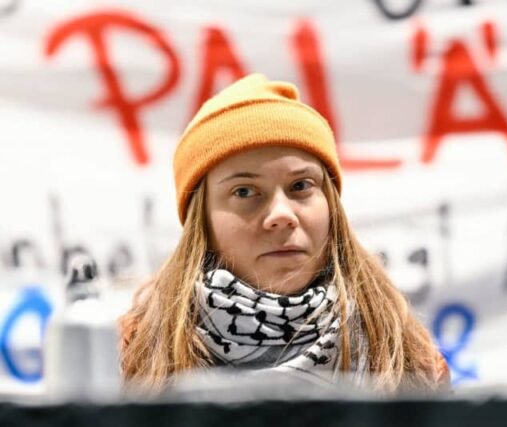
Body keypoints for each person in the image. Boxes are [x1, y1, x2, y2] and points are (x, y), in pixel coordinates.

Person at [119, 74, 449, 393]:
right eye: (244, 191)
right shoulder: (131, 356)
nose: (281, 215)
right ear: (201, 221)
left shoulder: (407, 356)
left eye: (301, 186)